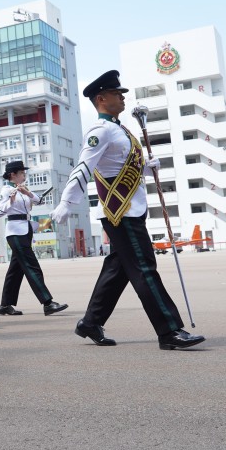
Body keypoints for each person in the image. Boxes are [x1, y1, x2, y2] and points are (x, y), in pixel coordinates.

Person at [51, 70, 205, 351]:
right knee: (145, 269)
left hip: (132, 209)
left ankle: (90, 322)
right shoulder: (100, 131)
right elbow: (84, 167)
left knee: (118, 269)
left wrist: (146, 167)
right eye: (116, 93)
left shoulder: (120, 129)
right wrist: (66, 201)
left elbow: (121, 166)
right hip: (120, 213)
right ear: (101, 98)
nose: (122, 97)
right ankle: (169, 331)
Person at [0, 160, 68, 317]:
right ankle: (47, 302)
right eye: (22, 172)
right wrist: (11, 201)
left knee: (15, 270)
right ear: (13, 175)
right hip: (15, 231)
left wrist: (27, 193)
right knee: (32, 266)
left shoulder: (23, 189)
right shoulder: (6, 190)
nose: (24, 175)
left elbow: (39, 200)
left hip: (25, 229)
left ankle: (5, 305)